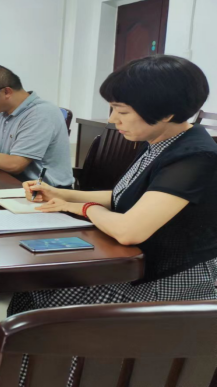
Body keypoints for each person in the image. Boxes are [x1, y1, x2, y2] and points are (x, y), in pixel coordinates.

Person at [13, 55, 217, 387]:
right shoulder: (161, 140)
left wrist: (81, 208)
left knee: (46, 319)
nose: (112, 120)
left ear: (166, 112)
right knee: (33, 295)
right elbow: (128, 196)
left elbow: (129, 230)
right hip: (139, 265)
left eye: (122, 111)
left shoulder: (195, 156)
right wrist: (61, 194)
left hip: (171, 281)